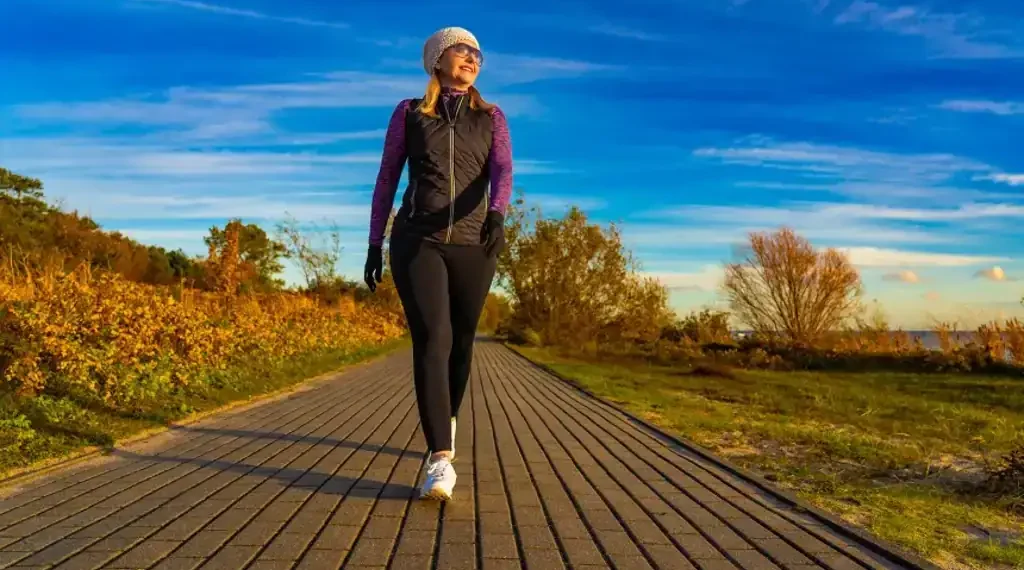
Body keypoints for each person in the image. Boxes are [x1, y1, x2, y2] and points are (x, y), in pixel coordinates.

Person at [363, 26, 513, 501]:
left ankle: (443, 418)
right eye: (462, 50)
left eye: (478, 53)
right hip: (417, 239)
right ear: (437, 59)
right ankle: (439, 460)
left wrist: (496, 213)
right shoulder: (409, 113)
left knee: (463, 345)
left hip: (474, 243)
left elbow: (503, 170)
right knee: (435, 337)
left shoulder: (491, 116)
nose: (473, 58)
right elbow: (388, 175)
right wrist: (374, 242)